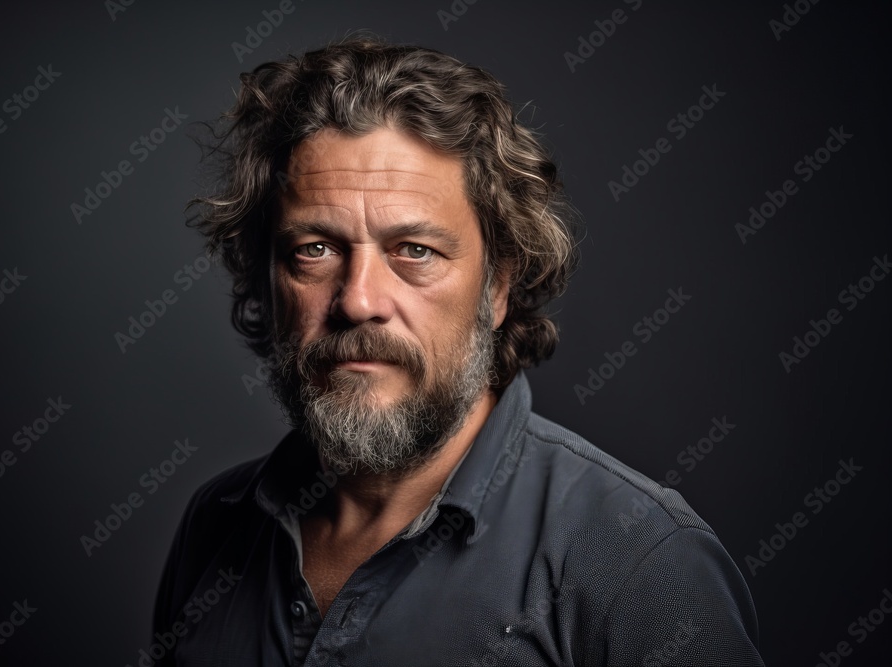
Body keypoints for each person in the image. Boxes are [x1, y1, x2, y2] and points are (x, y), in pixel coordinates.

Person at [152, 37, 763, 666]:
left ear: (497, 286)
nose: (359, 301)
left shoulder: (640, 561)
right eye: (315, 248)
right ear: (267, 278)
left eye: (414, 250)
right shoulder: (216, 527)